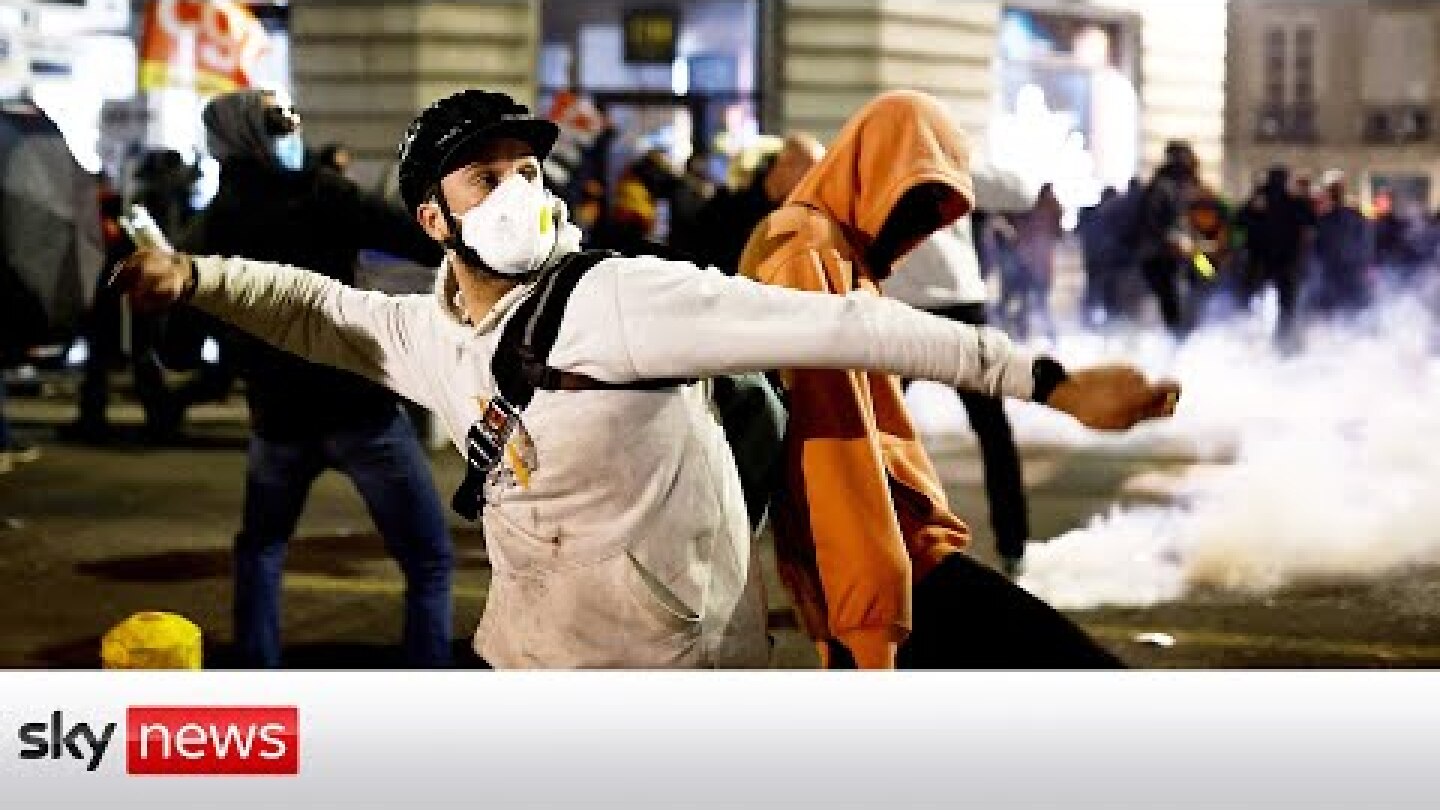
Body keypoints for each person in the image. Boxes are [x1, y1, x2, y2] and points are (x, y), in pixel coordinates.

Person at [114, 89, 1178, 669]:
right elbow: (309, 306)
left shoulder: (623, 299)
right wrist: (193, 274)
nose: (523, 189)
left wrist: (1047, 381)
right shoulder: (425, 332)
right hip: (523, 663)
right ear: (434, 221)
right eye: (488, 176)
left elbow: (846, 326)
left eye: (529, 169)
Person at [738, 90, 1178, 669]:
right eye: (913, 202)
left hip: (895, 566)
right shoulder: (806, 250)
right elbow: (832, 457)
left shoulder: (832, 253)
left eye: (933, 210)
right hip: (894, 574)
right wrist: (868, 617)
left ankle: (1013, 544)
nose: (917, 229)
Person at [187, 89, 453, 668]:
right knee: (428, 560)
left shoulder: (213, 225)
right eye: (279, 123)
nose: (291, 133)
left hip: (277, 415)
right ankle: (431, 689)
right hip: (358, 407)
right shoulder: (323, 195)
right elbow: (421, 242)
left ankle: (259, 683)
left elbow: (180, 345)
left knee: (261, 548)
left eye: (291, 120)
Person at [883, 161, 1035, 577]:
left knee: (881, 432)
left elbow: (1021, 192)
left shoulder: (926, 161)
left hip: (937, 303)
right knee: (878, 433)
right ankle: (1011, 544)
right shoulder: (925, 162)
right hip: (923, 303)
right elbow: (1021, 192)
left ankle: (1013, 543)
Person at [684, 133, 825, 273]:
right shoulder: (727, 207)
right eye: (811, 171)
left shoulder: (798, 214)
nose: (816, 182)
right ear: (786, 165)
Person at [1236, 165, 1317, 349]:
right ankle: (1281, 344)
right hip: (1283, 262)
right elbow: (1312, 225)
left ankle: (1251, 341)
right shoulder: (1293, 201)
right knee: (1285, 306)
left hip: (1261, 261)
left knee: (1252, 301)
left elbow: (1239, 222)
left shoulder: (1261, 199)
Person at [1136, 141, 1201, 338]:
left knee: (1207, 274)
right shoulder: (1164, 187)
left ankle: (1181, 334)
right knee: (1172, 301)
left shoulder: (1178, 186)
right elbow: (1156, 222)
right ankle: (1176, 339)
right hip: (1162, 256)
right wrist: (1171, 239)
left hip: (1183, 253)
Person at [1307, 171, 1373, 322]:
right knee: (1350, 314)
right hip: (1348, 273)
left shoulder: (1322, 221)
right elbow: (1367, 245)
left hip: (1335, 273)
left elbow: (1315, 250)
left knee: (1334, 313)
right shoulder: (1357, 218)